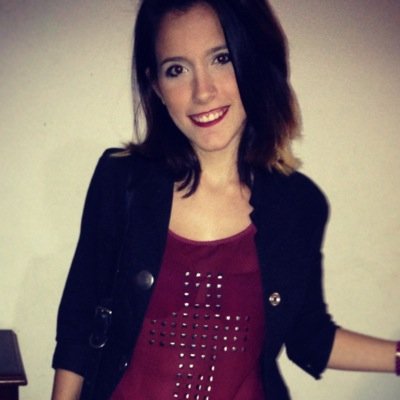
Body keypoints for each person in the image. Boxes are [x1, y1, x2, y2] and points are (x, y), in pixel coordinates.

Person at [51, 0, 399, 399]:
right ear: (156, 86)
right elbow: (79, 323)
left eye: (222, 58)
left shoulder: (299, 205)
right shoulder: (122, 181)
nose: (203, 92)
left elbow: (309, 336)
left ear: (255, 62)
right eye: (177, 69)